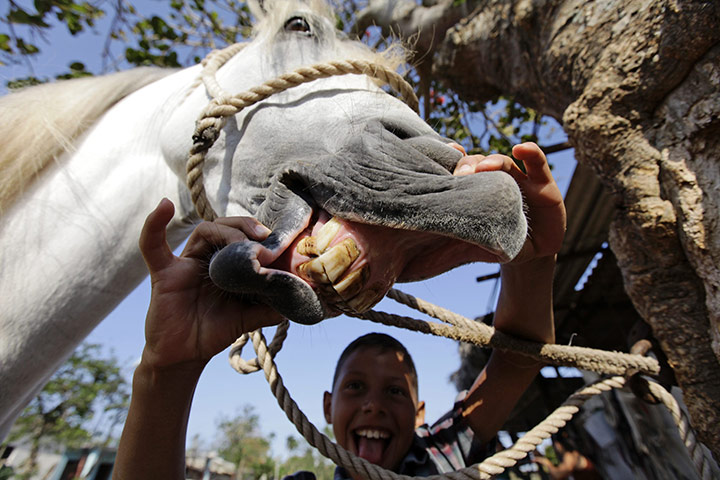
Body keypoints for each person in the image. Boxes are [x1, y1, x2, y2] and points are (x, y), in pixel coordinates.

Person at [112, 142, 566, 480]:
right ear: (328, 407)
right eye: (355, 387)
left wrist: (534, 256)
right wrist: (169, 366)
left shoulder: (443, 458)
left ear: (421, 413)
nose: (373, 405)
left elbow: (516, 360)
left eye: (394, 393)